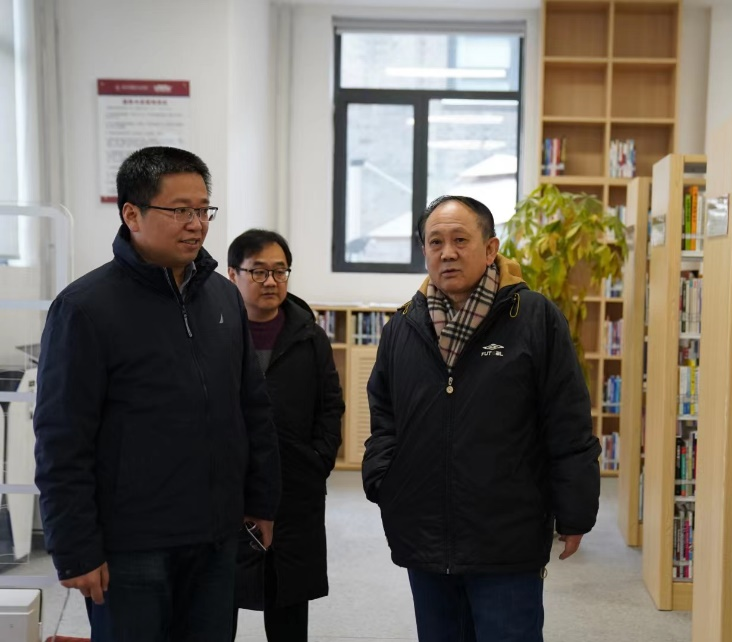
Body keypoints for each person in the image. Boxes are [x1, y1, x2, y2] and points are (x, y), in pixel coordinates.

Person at [33, 147, 281, 642]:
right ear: (132, 214)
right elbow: (62, 438)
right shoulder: (85, 308)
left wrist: (262, 499)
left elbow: (250, 407)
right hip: (132, 545)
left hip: (215, 535)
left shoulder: (223, 296)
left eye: (203, 210)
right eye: (179, 210)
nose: (196, 224)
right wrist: (76, 547)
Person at [362, 195, 601, 642]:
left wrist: (575, 511)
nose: (447, 253)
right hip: (424, 534)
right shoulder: (403, 327)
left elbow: (567, 420)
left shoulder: (534, 318)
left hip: (506, 537)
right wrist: (384, 480)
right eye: (435, 242)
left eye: (460, 240)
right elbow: (384, 417)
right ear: (424, 251)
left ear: (491, 249)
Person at [227, 229, 345, 641]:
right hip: (228, 490)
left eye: (280, 271)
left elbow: (330, 405)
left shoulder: (309, 335)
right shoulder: (216, 332)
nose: (271, 281)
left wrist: (318, 460)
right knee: (217, 603)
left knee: (288, 602)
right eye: (258, 271)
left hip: (294, 487)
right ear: (233, 275)